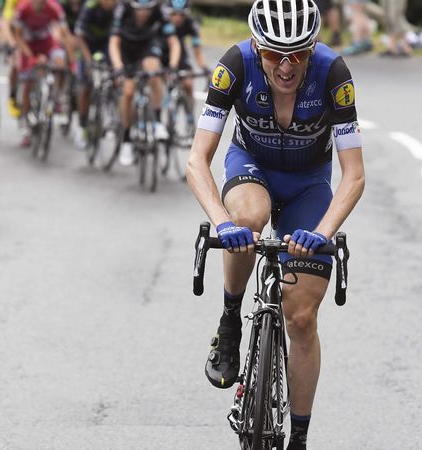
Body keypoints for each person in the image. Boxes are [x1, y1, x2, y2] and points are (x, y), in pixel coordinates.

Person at [186, 1, 365, 449]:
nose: (286, 66)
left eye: (298, 54)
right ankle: (230, 321)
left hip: (309, 184)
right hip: (252, 167)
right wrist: (221, 222)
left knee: (301, 318)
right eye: (273, 54)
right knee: (247, 219)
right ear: (256, 46)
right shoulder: (234, 66)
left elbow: (354, 175)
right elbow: (197, 160)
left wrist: (322, 233)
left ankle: (298, 438)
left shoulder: (333, 74)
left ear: (312, 49)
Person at [109, 0, 181, 166]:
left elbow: (173, 41)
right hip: (126, 48)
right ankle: (126, 139)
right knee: (128, 91)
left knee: (153, 71)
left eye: (148, 9)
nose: (144, 13)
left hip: (148, 46)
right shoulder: (122, 9)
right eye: (139, 10)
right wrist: (118, 67)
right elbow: (114, 42)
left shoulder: (159, 10)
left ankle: (158, 122)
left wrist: (173, 65)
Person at [14, 0, 74, 146]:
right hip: (28, 45)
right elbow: (18, 36)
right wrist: (31, 57)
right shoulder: (23, 8)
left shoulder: (54, 7)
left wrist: (72, 59)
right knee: (27, 83)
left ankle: (57, 96)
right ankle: (25, 123)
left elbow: (65, 33)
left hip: (46, 43)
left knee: (60, 62)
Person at [162, 0, 210, 137]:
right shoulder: (161, 20)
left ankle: (189, 117)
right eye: (174, 14)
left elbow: (197, 51)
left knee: (188, 83)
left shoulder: (190, 24)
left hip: (180, 56)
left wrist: (205, 69)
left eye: (181, 15)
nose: (178, 18)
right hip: (160, 53)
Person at [74, 0, 116, 149]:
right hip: (87, 46)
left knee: (114, 78)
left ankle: (109, 115)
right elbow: (79, 36)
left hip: (106, 45)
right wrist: (88, 61)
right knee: (85, 86)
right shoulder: (90, 7)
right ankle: (82, 126)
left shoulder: (119, 8)